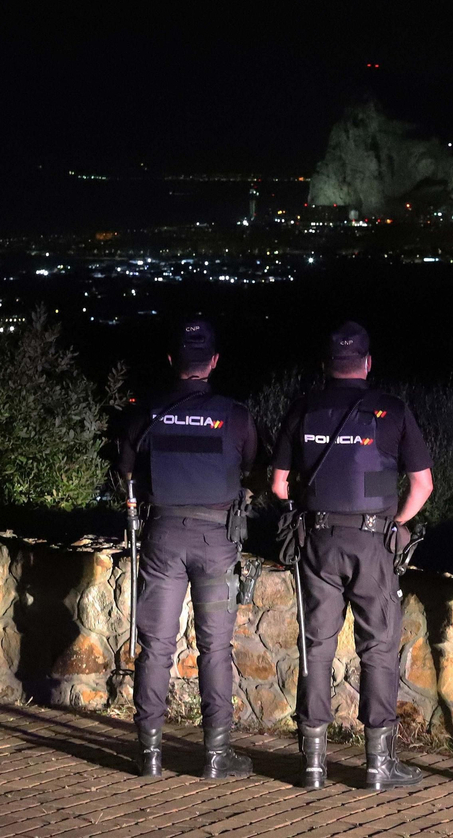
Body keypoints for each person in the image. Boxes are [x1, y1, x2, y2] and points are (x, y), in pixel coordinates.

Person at [270, 321, 435, 791]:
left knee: (315, 647)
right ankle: (378, 766)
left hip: (318, 542)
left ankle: (313, 765)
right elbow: (422, 484)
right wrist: (397, 525)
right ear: (367, 363)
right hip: (374, 542)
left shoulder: (304, 408)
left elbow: (280, 485)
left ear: (326, 365)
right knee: (378, 649)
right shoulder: (393, 410)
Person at [113, 318, 257, 779]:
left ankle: (149, 753)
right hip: (217, 541)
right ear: (214, 361)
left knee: (155, 646)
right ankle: (216, 757)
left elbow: (124, 469)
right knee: (215, 648)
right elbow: (257, 467)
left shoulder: (147, 410)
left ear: (172, 360)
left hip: (161, 537)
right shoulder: (234, 414)